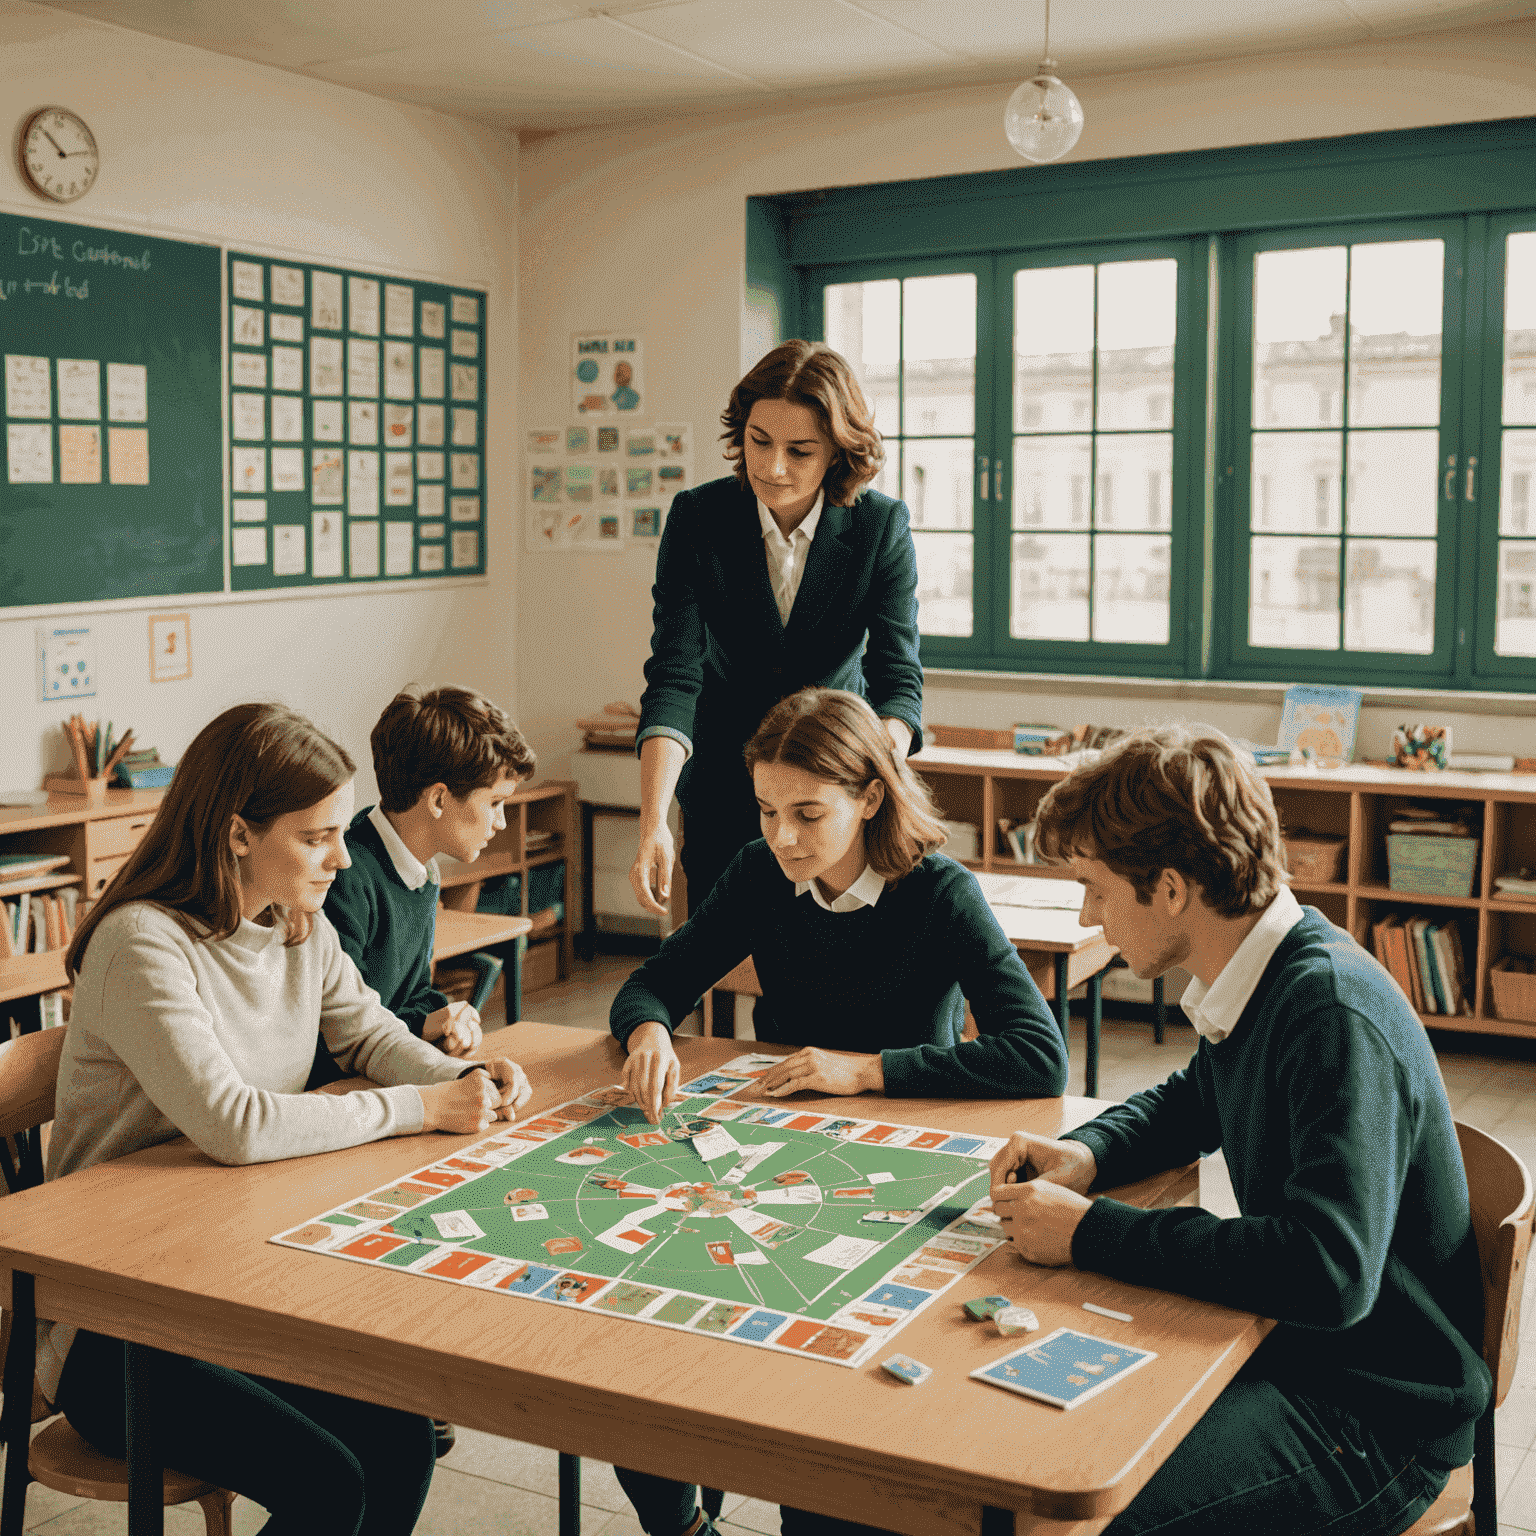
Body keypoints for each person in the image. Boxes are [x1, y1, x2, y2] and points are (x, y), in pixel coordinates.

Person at [45, 703, 533, 1536]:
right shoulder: (143, 943)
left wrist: (463, 1075)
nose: (344, 858)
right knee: (327, 1483)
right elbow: (235, 1125)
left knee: (403, 1439)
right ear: (238, 834)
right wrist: (420, 1107)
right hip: (118, 1322)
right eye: (318, 837)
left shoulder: (296, 925)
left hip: (233, 1274)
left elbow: (373, 1034)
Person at [989, 726, 1490, 1536]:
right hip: (1308, 1359)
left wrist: (1094, 1234)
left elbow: (1328, 1273)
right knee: (1026, 1451)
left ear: (1173, 889)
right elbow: (1199, 1097)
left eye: (1097, 887)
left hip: (1375, 1417)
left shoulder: (1326, 1011)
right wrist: (1088, 1154)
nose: (1088, 915)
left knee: (1068, 1519)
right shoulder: (1262, 970)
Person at [609, 688, 1067, 1536]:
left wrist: (867, 1071)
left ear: (870, 797)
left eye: (808, 813)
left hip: (901, 1159)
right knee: (641, 1361)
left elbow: (1039, 1056)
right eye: (766, 809)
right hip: (760, 1154)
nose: (782, 835)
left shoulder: (939, 891)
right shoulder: (758, 872)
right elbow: (652, 983)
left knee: (828, 1448)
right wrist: (647, 1032)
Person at [629, 340, 923, 925]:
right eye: (759, 440)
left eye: (800, 450)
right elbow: (674, 674)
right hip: (726, 787)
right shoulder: (699, 519)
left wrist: (873, 786)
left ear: (838, 453)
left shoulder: (879, 526)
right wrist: (653, 820)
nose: (773, 467)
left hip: (833, 798)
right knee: (720, 967)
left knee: (826, 984)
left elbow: (897, 681)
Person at [314, 684, 536, 1075]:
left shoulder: (421, 871)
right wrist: (423, 1025)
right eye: (494, 803)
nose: (501, 822)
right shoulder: (346, 878)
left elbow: (410, 995)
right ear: (437, 799)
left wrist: (441, 1015)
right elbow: (339, 1031)